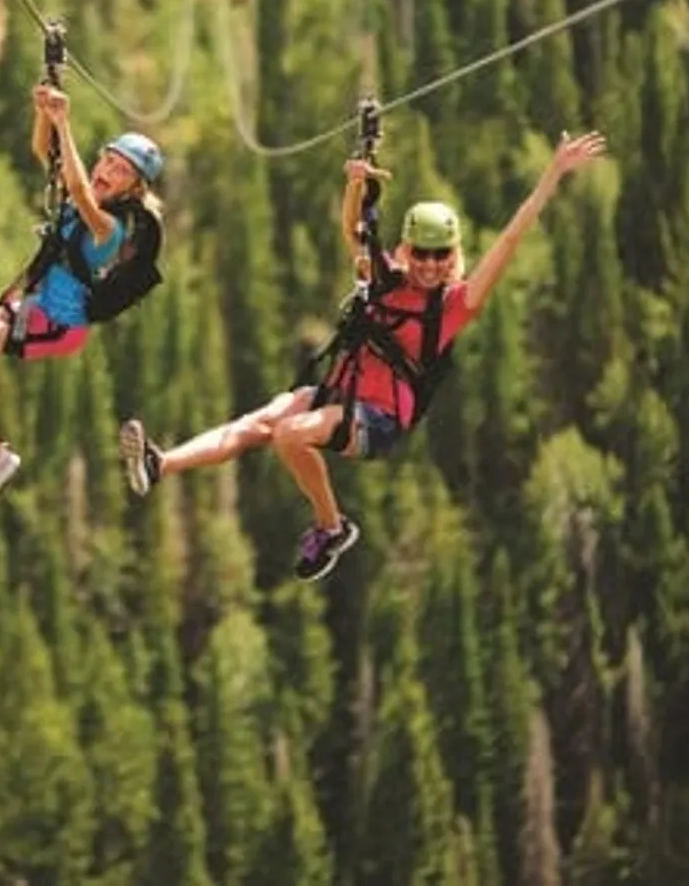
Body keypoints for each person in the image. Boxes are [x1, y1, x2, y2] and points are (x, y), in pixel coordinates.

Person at [116, 129, 607, 580]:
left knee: (289, 434)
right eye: (421, 254)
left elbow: (511, 239)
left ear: (453, 256)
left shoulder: (455, 306)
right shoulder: (386, 277)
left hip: (379, 418)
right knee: (258, 424)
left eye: (440, 255)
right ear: (407, 250)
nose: (429, 265)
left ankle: (332, 528)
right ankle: (160, 465)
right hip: (341, 392)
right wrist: (355, 182)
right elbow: (353, 229)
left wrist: (552, 173)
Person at [0, 83, 167, 513]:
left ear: (133, 191)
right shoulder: (81, 199)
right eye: (107, 160)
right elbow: (45, 151)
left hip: (58, 322)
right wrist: (44, 112)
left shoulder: (108, 228)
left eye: (121, 171)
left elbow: (77, 187)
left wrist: (64, 122)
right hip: (36, 306)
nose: (107, 170)